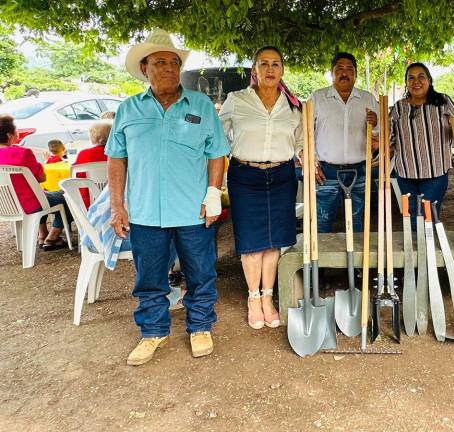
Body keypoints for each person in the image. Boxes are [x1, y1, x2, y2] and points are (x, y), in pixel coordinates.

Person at [106, 28, 229, 366]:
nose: (169, 68)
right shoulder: (128, 110)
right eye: (160, 62)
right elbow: (116, 158)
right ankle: (153, 332)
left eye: (174, 62)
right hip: (145, 213)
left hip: (193, 209)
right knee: (149, 278)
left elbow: (216, 152)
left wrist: (213, 193)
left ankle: (201, 326)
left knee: (201, 272)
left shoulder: (201, 105)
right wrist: (118, 206)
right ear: (144, 68)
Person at [218, 46, 302, 330]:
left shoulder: (292, 106)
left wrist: (307, 159)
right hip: (245, 176)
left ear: (282, 70)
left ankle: (268, 297)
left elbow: (301, 141)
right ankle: (253, 299)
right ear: (254, 69)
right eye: (263, 63)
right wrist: (235, 154)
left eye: (275, 64)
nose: (270, 69)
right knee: (252, 241)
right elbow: (217, 134)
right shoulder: (237, 100)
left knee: (274, 240)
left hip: (281, 175)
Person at [310, 52, 378, 233]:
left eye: (349, 69)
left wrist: (376, 124)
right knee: (322, 220)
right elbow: (305, 133)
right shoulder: (318, 97)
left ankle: (356, 261)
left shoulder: (368, 99)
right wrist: (311, 161)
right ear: (331, 73)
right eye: (339, 68)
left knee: (357, 220)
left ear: (355, 74)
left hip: (360, 170)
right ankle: (320, 260)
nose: (344, 73)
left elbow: (379, 137)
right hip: (326, 171)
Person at [389, 62, 454, 221]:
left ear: (429, 80)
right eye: (411, 78)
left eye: (421, 77)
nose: (416, 81)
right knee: (410, 216)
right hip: (406, 173)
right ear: (406, 83)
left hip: (435, 174)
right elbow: (390, 137)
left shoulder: (443, 101)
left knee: (427, 216)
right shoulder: (399, 107)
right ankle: (416, 246)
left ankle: (429, 246)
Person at [0, 114, 72, 251]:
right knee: (67, 196)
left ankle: (42, 234)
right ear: (9, 135)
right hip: (30, 204)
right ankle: (53, 236)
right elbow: (41, 178)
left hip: (6, 205)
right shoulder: (22, 153)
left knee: (41, 195)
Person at [73, 119, 111, 207]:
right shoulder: (118, 154)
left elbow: (77, 177)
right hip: (117, 199)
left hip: (89, 202)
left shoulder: (84, 154)